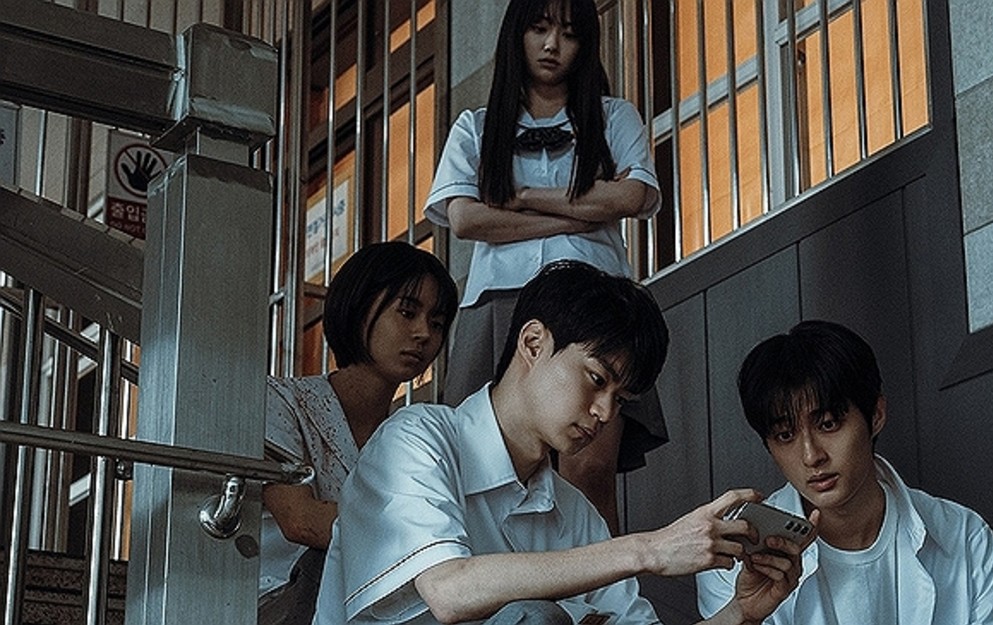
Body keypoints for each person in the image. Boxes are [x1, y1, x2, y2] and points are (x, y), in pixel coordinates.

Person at [314, 261, 803, 625]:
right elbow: (448, 590)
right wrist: (649, 550)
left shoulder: (573, 513)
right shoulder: (418, 438)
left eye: (620, 399)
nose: (605, 413)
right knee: (534, 617)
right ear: (533, 343)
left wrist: (739, 614)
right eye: (596, 379)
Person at [423, 0, 665, 533]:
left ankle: (602, 585)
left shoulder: (614, 116)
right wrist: (580, 213)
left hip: (596, 306)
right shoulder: (476, 126)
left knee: (590, 471)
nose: (553, 44)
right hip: (498, 302)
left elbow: (633, 195)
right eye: (539, 28)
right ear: (517, 35)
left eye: (569, 33)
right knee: (481, 466)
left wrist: (525, 196)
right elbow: (464, 218)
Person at [696, 320, 993, 624]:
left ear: (876, 415)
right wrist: (744, 618)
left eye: (828, 425)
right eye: (785, 435)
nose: (811, 456)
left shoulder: (964, 538)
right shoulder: (736, 560)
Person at [258, 241, 458, 625]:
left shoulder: (413, 439)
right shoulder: (281, 400)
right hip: (279, 601)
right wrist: (431, 541)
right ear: (359, 306)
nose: (423, 333)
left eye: (436, 323)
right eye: (407, 312)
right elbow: (301, 520)